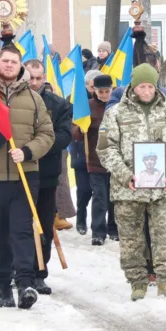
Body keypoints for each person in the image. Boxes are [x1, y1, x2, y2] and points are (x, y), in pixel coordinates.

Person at [98, 63, 166, 301]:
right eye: (142, 86)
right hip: (127, 189)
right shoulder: (115, 113)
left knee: (164, 235)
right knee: (130, 238)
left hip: (161, 189)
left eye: (150, 86)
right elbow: (106, 149)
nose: (146, 91)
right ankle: (137, 280)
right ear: (133, 87)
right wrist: (125, 175)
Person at [0, 45, 55, 310]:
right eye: (5, 61)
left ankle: (25, 284)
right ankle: (3, 285)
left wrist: (28, 151)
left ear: (20, 65)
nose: (9, 65)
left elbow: (47, 134)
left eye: (14, 61)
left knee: (22, 231)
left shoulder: (33, 99)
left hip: (25, 175)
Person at [24, 60, 73, 295]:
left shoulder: (59, 105)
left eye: (38, 78)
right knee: (21, 225)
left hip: (45, 174)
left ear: (44, 78)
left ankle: (39, 272)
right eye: (30, 78)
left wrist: (37, 147)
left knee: (43, 225)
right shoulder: (13, 103)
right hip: (19, 173)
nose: (34, 83)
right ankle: (21, 270)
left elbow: (64, 136)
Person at [73, 73, 118, 245]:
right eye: (101, 92)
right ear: (95, 91)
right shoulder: (88, 107)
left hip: (115, 160)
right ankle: (98, 232)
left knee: (114, 197)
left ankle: (113, 228)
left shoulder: (117, 106)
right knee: (99, 197)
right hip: (94, 159)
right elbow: (75, 131)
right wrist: (81, 129)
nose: (104, 95)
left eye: (107, 91)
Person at [70, 69, 101, 234]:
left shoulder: (104, 102)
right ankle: (81, 219)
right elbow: (72, 127)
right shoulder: (76, 101)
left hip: (98, 157)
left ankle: (99, 223)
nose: (94, 90)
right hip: (81, 154)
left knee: (99, 192)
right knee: (83, 191)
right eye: (91, 86)